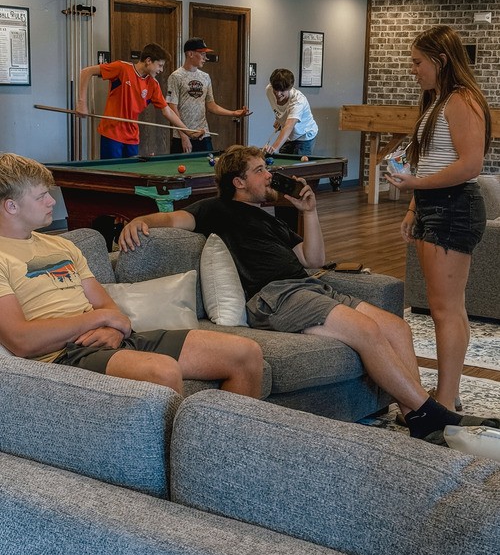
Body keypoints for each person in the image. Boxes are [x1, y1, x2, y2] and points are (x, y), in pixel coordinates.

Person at [119, 144, 499, 446]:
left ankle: (413, 414)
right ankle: (432, 417)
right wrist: (139, 219)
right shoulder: (215, 209)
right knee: (366, 330)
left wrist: (310, 211)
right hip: (276, 297)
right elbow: (172, 219)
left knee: (397, 328)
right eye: (260, 170)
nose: (269, 175)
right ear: (238, 182)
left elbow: (313, 259)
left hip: (309, 287)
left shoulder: (269, 217)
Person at [0, 152, 263, 399]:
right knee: (163, 371)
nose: (52, 202)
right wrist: (100, 319)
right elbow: (22, 340)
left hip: (106, 340)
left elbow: (107, 307)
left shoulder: (61, 245)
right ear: (11, 206)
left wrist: (113, 327)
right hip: (62, 355)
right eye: (41, 197)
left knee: (245, 354)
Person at [386, 25, 492, 413]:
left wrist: (416, 185)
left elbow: (470, 165)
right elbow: (431, 160)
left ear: (441, 60)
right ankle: (451, 391)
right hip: (436, 205)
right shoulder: (437, 101)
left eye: (418, 62)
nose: (413, 70)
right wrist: (414, 206)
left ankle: (445, 400)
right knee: (448, 307)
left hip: (453, 207)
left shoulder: (461, 100)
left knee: (445, 309)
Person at [77, 43, 203, 159]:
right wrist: (82, 102)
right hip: (112, 134)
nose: (161, 70)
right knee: (112, 174)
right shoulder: (121, 68)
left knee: (131, 174)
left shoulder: (153, 84)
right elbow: (86, 72)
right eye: (160, 65)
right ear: (148, 61)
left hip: (132, 138)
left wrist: (188, 132)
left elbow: (167, 111)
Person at [166, 37, 250, 154]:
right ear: (190, 54)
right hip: (182, 137)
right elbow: (172, 107)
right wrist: (184, 136)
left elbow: (211, 106)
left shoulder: (205, 77)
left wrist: (234, 113)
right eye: (202, 54)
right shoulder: (175, 76)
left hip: (204, 134)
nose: (205, 58)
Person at [264, 69, 318, 156]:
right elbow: (283, 111)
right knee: (282, 161)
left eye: (282, 90)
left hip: (304, 136)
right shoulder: (269, 90)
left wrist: (273, 149)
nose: (278, 94)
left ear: (290, 88)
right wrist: (280, 120)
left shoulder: (298, 100)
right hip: (289, 136)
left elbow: (289, 126)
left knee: (298, 164)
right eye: (276, 89)